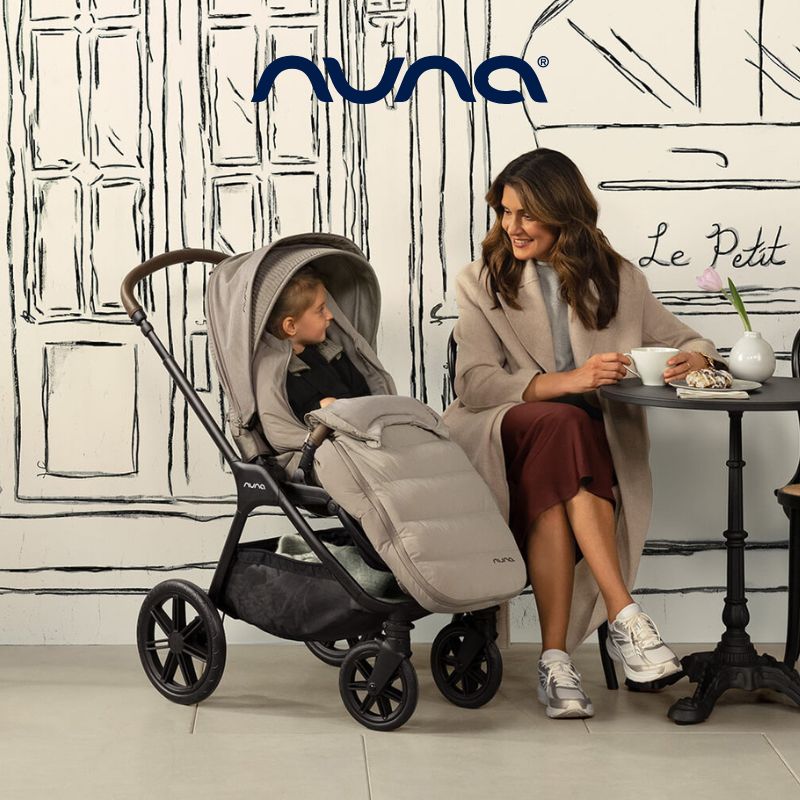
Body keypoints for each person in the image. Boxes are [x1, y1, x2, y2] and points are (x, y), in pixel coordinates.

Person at [441, 148, 727, 720]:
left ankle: (555, 663)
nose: (512, 226)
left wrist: (694, 360)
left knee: (562, 465)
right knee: (564, 422)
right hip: (501, 431)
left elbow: (691, 340)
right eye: (505, 211)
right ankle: (626, 615)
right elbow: (474, 383)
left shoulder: (619, 279)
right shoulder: (481, 281)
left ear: (563, 214)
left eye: (527, 214)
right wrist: (568, 381)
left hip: (576, 449)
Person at [266, 266, 371, 423]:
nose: (330, 315)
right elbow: (283, 425)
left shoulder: (332, 355)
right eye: (321, 310)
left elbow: (364, 395)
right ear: (291, 326)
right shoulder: (279, 377)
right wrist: (318, 408)